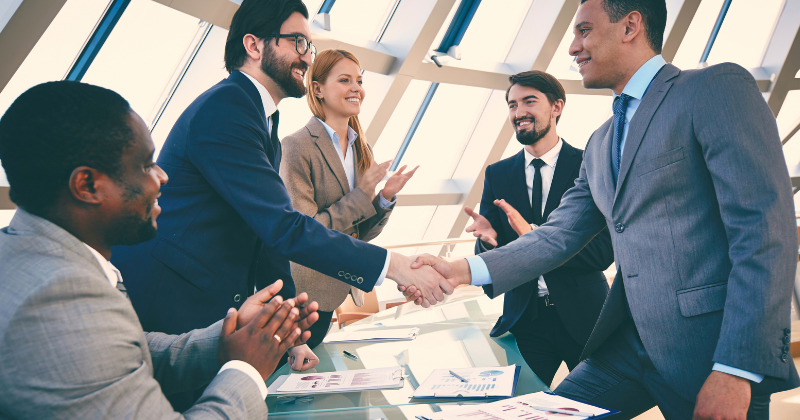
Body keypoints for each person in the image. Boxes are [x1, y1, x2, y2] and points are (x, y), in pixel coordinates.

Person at [403, 0, 800, 418]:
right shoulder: (600, 142)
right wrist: (461, 271)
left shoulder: (712, 90)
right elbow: (557, 236)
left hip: (708, 349)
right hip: (628, 346)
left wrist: (736, 369)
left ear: (630, 26)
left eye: (584, 31)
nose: (572, 47)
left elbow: (764, 232)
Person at [110, 0, 451, 389]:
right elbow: (283, 228)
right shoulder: (228, 108)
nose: (306, 58)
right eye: (297, 43)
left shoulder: (260, 119)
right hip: (169, 299)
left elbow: (267, 236)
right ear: (254, 46)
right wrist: (396, 266)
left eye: (310, 46)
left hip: (197, 300)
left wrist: (289, 328)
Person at [0, 81, 320, 419]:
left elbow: (124, 352)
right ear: (87, 185)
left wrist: (227, 340)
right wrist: (246, 368)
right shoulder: (57, 296)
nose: (162, 176)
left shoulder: (37, 257)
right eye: (145, 164)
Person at [464, 70, 613, 387]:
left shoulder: (590, 165)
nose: (518, 113)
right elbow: (497, 248)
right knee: (517, 407)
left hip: (585, 315)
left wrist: (534, 237)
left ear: (557, 106)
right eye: (512, 104)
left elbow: (603, 253)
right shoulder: (498, 174)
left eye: (529, 101)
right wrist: (488, 243)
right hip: (525, 319)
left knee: (597, 408)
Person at [280, 49, 418, 349]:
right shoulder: (296, 147)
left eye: (359, 80)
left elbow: (359, 234)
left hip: (339, 289)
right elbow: (304, 232)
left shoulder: (360, 149)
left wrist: (383, 199)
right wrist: (361, 195)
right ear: (317, 89)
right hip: (303, 300)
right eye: (345, 80)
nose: (357, 88)